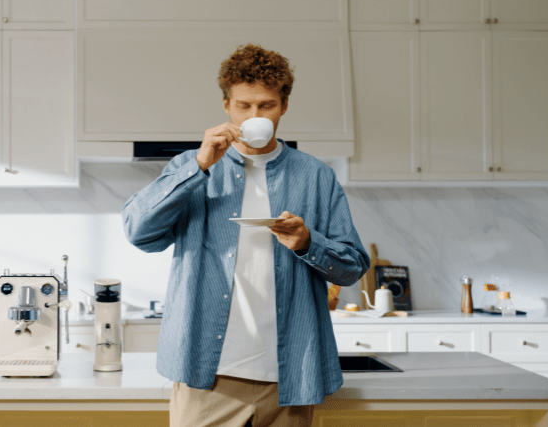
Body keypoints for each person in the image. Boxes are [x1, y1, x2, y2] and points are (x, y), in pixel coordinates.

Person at [121, 43, 370, 427]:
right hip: (206, 375)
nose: (254, 115)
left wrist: (307, 242)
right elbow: (139, 232)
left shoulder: (315, 176)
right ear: (226, 105)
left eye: (266, 105)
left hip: (291, 376)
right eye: (244, 105)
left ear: (283, 105)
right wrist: (200, 165)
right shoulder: (191, 166)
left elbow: (352, 268)